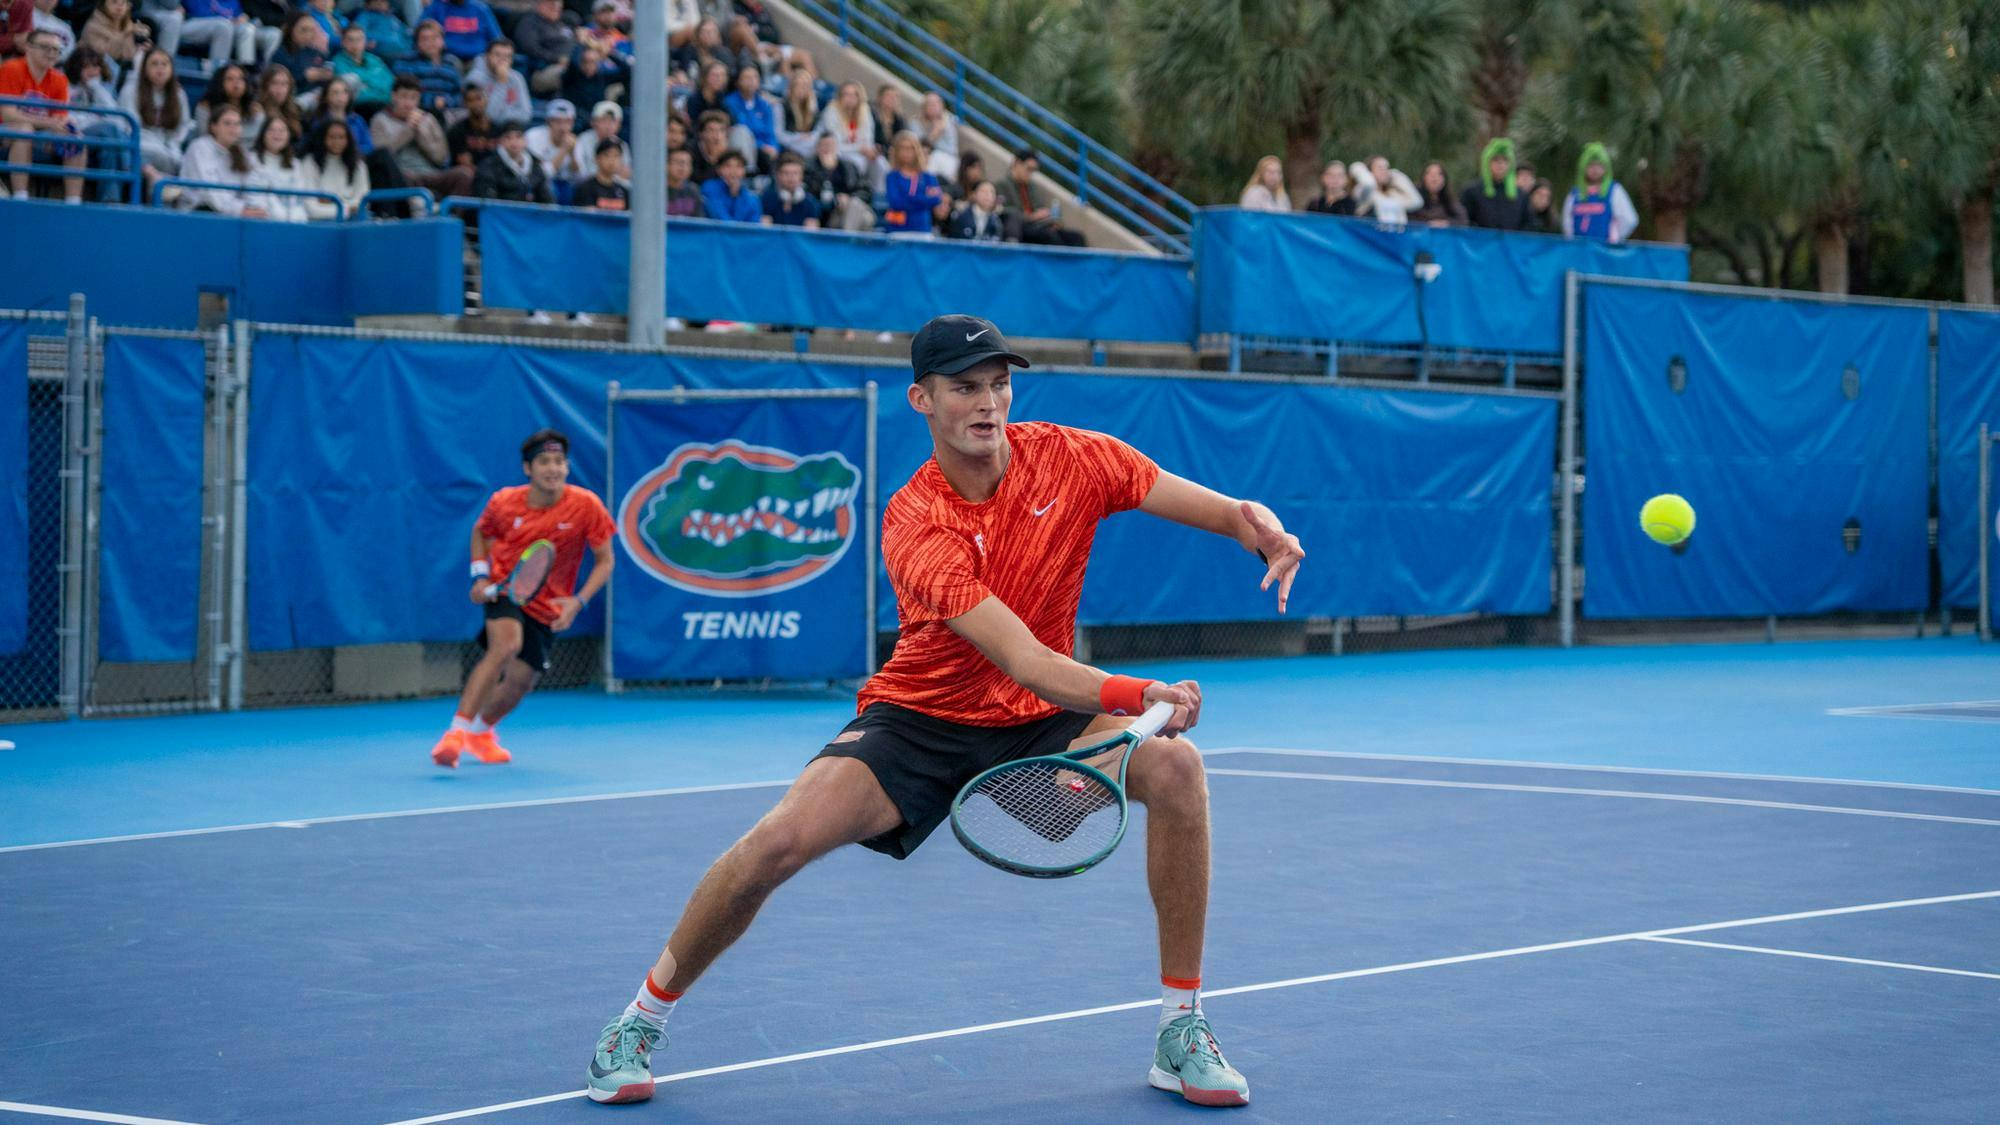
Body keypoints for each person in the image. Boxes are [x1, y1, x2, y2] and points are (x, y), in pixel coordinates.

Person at [582, 314, 1302, 1110]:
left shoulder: (1073, 457)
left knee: (1177, 767)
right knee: (774, 845)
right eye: (965, 387)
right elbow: (1023, 656)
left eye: (999, 383)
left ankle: (1181, 1029)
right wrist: (1140, 695)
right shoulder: (915, 522)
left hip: (1041, 716)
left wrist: (1256, 524)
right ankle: (639, 1021)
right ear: (922, 399)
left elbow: (1204, 504)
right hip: (924, 717)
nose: (988, 403)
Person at [432, 428, 614, 769]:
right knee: (506, 646)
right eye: (544, 461)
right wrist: (480, 575)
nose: (553, 468)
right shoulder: (503, 502)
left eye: (559, 461)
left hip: (547, 605)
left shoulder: (586, 506)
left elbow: (606, 560)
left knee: (520, 683)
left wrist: (578, 602)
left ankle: (481, 733)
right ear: (528, 469)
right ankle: (455, 734)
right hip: (506, 589)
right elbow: (480, 532)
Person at [1, 30, 84, 202]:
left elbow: (60, 118)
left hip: (41, 134)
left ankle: (74, 202)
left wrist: (65, 126)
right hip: (6, 133)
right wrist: (48, 122)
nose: (52, 53)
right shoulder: (11, 68)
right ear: (28, 48)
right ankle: (20, 197)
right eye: (46, 47)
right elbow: (7, 114)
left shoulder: (60, 79)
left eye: (56, 49)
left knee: (74, 136)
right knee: (24, 130)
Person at [372, 73, 472, 197]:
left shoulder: (428, 119)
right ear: (394, 96)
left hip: (431, 174)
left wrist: (421, 134)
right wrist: (408, 130)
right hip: (401, 175)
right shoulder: (380, 120)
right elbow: (381, 156)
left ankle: (453, 215)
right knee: (400, 179)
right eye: (403, 97)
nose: (408, 103)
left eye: (413, 98)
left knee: (463, 175)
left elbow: (441, 158)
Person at [120, 46, 189, 193]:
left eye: (164, 64)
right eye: (154, 63)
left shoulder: (179, 94)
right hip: (139, 146)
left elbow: (182, 127)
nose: (160, 68)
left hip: (168, 150)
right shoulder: (131, 90)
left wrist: (172, 146)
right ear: (144, 68)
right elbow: (129, 126)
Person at [176, 102, 265, 215]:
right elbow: (208, 192)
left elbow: (253, 186)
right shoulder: (200, 147)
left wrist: (255, 208)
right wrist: (241, 210)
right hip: (198, 212)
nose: (233, 128)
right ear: (214, 127)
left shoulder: (243, 153)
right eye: (227, 123)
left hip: (231, 215)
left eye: (237, 124)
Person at [1562, 141, 1638, 243]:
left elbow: (1629, 220)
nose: (1595, 169)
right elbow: (1567, 222)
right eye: (1590, 165)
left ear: (1606, 168)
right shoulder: (1575, 194)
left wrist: (1614, 238)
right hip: (1580, 252)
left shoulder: (1615, 190)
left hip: (1605, 253)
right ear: (1583, 168)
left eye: (1599, 165)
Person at [1004, 148, 1082, 246]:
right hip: (1022, 229)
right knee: (1048, 236)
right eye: (1028, 169)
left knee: (1076, 237)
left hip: (1039, 226)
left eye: (1033, 170)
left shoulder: (1031, 187)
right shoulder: (1003, 185)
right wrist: (1032, 217)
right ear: (1017, 164)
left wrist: (1050, 220)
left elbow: (1039, 207)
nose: (1030, 173)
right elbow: (1006, 215)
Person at [246, 113, 309, 220]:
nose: (277, 134)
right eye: (271, 130)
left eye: (282, 130)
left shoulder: (295, 164)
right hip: (263, 221)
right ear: (263, 134)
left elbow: (297, 198)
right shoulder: (251, 160)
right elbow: (255, 198)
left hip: (292, 221)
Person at [303, 114, 368, 218]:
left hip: (352, 224)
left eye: (341, 137)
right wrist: (347, 207)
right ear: (322, 138)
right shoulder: (310, 162)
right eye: (331, 137)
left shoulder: (358, 164)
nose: (337, 142)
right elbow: (312, 209)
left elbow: (364, 201)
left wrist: (332, 203)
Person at [803, 128, 869, 230]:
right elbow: (811, 195)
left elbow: (865, 191)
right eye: (824, 145)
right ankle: (847, 240)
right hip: (826, 216)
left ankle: (847, 237)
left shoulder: (849, 167)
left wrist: (847, 198)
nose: (827, 149)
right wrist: (826, 171)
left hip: (848, 210)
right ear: (817, 148)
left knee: (858, 209)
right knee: (861, 216)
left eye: (830, 145)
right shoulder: (809, 167)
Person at [393, 18, 462, 115]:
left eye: (435, 38)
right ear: (417, 43)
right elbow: (403, 92)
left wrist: (447, 101)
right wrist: (432, 101)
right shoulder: (405, 62)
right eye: (425, 39)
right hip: (417, 111)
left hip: (449, 111)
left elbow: (459, 93)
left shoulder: (451, 63)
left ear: (442, 41)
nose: (430, 42)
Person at [472, 118, 550, 202]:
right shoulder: (488, 166)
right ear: (501, 141)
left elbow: (546, 199)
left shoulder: (535, 166)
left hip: (529, 214)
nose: (514, 142)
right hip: (500, 213)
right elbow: (487, 199)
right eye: (508, 137)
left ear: (525, 141)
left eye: (518, 137)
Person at [881, 130, 943, 235]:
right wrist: (923, 198)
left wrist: (908, 198)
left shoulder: (927, 177)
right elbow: (895, 203)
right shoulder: (892, 177)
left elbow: (936, 199)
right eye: (902, 148)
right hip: (898, 229)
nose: (906, 153)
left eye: (910, 148)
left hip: (922, 229)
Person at [1461, 138, 1527, 231]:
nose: (1500, 164)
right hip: (1481, 244)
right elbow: (1464, 222)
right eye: (1495, 159)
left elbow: (1527, 226)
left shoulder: (1521, 195)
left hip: (1510, 244)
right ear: (1486, 162)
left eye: (1505, 160)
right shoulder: (1472, 191)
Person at [269, 12, 335, 103]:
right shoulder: (280, 53)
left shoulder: (314, 51)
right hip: (293, 100)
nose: (308, 35)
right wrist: (305, 76)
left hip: (317, 97)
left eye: (311, 30)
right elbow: (279, 84)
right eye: (303, 30)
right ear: (290, 29)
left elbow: (328, 72)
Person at [722, 61, 775, 171]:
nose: (751, 81)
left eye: (755, 77)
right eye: (747, 77)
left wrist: (772, 147)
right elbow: (743, 129)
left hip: (765, 149)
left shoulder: (764, 104)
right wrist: (762, 146)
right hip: (745, 146)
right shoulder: (729, 103)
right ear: (738, 81)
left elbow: (770, 132)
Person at [465, 36, 528, 127]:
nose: (502, 60)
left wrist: (503, 116)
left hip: (510, 129)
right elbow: (488, 116)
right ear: (487, 56)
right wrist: (501, 82)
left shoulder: (517, 78)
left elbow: (525, 115)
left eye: (507, 56)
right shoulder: (475, 79)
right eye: (498, 55)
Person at [332, 21, 394, 111]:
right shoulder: (337, 63)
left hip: (387, 104)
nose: (355, 44)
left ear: (365, 41)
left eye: (359, 39)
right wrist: (382, 95)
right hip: (364, 108)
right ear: (343, 42)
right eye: (350, 40)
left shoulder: (375, 59)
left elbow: (391, 82)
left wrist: (366, 84)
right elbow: (354, 95)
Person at [524, 95, 583, 188]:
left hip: (565, 186)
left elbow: (579, 178)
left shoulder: (575, 141)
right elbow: (542, 175)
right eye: (558, 121)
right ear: (548, 122)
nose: (563, 127)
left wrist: (573, 154)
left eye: (567, 122)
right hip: (538, 185)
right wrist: (564, 150)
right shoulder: (533, 136)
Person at [79, 0, 149, 77]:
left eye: (123, 3)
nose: (119, 6)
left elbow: (128, 56)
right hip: (94, 76)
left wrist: (141, 50)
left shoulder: (129, 26)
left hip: (122, 76)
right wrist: (126, 34)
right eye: (114, 2)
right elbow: (106, 55)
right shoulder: (92, 27)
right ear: (103, 5)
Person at [817, 79, 874, 172]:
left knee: (880, 163)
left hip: (858, 151)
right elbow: (835, 145)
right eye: (846, 94)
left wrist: (870, 150)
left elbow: (868, 140)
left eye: (854, 95)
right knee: (858, 161)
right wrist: (859, 148)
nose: (850, 98)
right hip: (836, 152)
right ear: (840, 96)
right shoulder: (831, 111)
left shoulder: (865, 111)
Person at [417, 0, 499, 61]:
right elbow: (419, 31)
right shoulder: (436, 7)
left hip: (479, 58)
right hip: (446, 57)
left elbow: (497, 39)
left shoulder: (480, 8)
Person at [1347, 154, 1418, 225]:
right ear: (1369, 171)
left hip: (1395, 235)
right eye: (1380, 168)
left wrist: (1397, 175)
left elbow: (1417, 202)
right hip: (1371, 235)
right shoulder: (1363, 192)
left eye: (1387, 168)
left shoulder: (1394, 194)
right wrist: (1359, 167)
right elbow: (1368, 184)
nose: (1385, 171)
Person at [190, 61, 251, 137]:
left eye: (240, 79)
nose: (236, 83)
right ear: (220, 83)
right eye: (230, 79)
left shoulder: (252, 108)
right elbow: (204, 136)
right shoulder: (205, 106)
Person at [697, 147, 758, 222]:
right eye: (728, 166)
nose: (733, 171)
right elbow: (720, 219)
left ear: (744, 171)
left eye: (738, 166)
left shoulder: (752, 198)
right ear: (718, 169)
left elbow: (753, 227)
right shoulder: (709, 188)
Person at [446, 78, 497, 167]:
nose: (476, 104)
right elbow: (466, 164)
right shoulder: (457, 131)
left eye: (479, 98)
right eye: (470, 100)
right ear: (464, 104)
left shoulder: (498, 129)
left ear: (487, 100)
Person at [759, 150, 817, 227]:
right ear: (778, 175)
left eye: (795, 173)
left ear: (802, 176)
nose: (791, 178)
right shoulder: (767, 199)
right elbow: (765, 231)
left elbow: (810, 235)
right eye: (786, 173)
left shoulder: (809, 202)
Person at [250, 63, 302, 147]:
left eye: (284, 84)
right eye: (274, 83)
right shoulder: (258, 109)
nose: (279, 90)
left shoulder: (296, 109)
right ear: (266, 86)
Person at [569, 134, 626, 210]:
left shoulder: (624, 191)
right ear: (597, 159)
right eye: (607, 155)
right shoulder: (585, 188)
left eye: (616, 156)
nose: (612, 160)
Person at [571, 97, 621, 179]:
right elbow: (578, 173)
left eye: (612, 121)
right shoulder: (583, 140)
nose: (608, 126)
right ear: (593, 122)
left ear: (619, 124)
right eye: (603, 120)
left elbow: (625, 175)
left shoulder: (621, 144)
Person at [945, 177, 1001, 241]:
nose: (988, 195)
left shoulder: (996, 221)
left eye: (992, 192)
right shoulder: (960, 217)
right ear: (974, 194)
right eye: (983, 191)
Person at [1410, 160, 1465, 226]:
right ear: (1423, 178)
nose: (1435, 178)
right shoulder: (1414, 198)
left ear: (1444, 179)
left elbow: (1462, 220)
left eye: (1439, 174)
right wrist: (1427, 224)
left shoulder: (1450, 201)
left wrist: (1446, 223)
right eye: (1430, 174)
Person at [915, 89, 955, 179]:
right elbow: (918, 147)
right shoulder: (916, 123)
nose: (933, 107)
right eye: (930, 104)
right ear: (924, 107)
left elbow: (951, 150)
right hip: (925, 161)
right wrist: (934, 133)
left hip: (947, 160)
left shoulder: (948, 121)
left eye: (936, 104)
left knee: (937, 157)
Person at [664, 144, 702, 216]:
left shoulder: (693, 190)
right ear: (666, 165)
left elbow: (699, 219)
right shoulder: (656, 191)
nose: (683, 167)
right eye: (678, 163)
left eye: (687, 163)